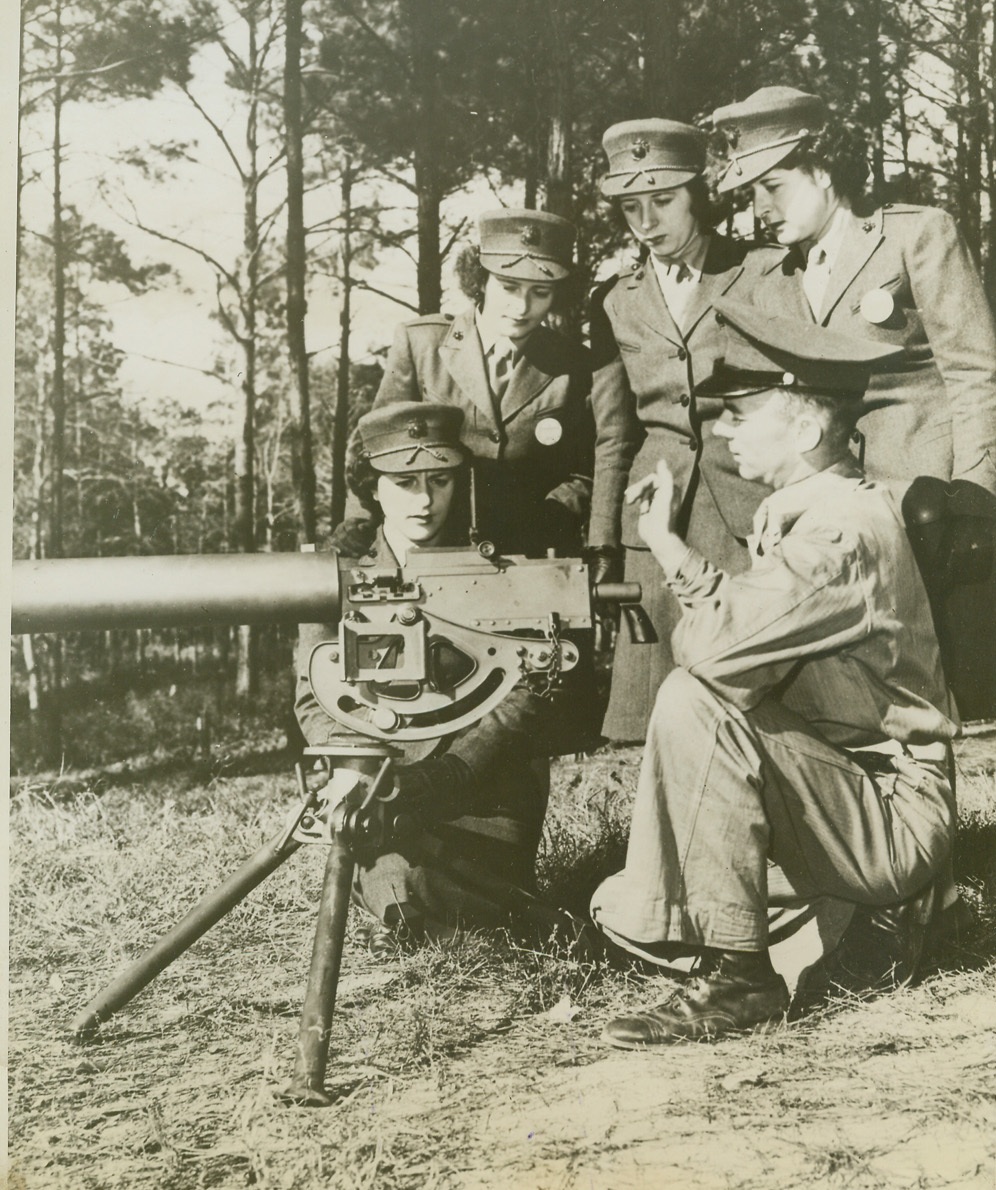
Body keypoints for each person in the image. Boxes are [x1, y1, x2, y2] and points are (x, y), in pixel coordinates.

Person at [591, 298, 958, 1047]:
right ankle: (862, 923)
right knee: (618, 903)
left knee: (692, 700)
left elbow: (717, 657)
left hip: (887, 813)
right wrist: (667, 545)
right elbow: (747, 643)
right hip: (836, 793)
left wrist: (677, 566)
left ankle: (743, 976)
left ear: (805, 428)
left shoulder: (839, 532)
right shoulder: (811, 510)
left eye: (740, 414)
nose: (721, 430)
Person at [296, 402, 571, 955]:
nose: (424, 500)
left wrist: (447, 774)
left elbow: (529, 695)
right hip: (382, 788)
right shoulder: (334, 571)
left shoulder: (500, 568)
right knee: (405, 890)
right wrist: (355, 768)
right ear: (373, 488)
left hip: (483, 793)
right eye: (404, 482)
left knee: (430, 893)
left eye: (440, 480)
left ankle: (514, 920)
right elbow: (313, 694)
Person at [587, 119, 773, 743]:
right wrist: (602, 543)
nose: (646, 220)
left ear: (699, 194)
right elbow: (615, 434)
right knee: (663, 716)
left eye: (662, 200)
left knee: (756, 695)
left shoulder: (762, 271)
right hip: (658, 521)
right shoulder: (613, 300)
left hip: (746, 511)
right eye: (631, 206)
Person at [712, 85, 996, 494]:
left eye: (773, 187)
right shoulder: (774, 281)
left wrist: (976, 492)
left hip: (928, 501)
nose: (760, 210)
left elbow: (975, 374)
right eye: (751, 194)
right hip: (831, 508)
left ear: (822, 170)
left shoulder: (916, 235)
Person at [367, 209, 593, 558]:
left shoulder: (574, 365)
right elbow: (376, 451)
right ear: (481, 281)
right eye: (509, 287)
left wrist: (545, 521)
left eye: (540, 292)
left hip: (533, 555)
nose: (521, 306)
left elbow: (586, 470)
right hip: (436, 550)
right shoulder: (422, 345)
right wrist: (359, 541)